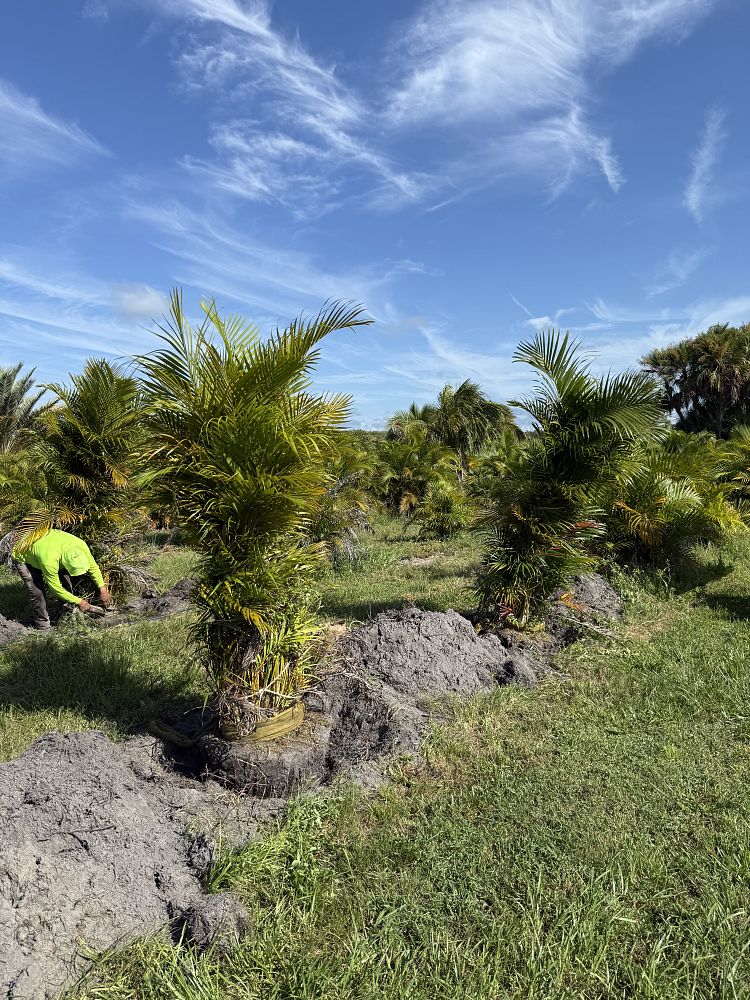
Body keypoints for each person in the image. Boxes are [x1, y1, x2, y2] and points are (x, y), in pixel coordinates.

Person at [11, 528, 111, 630]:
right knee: (37, 590)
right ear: (65, 563)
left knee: (66, 583)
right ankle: (43, 624)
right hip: (23, 555)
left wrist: (102, 589)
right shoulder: (50, 560)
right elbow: (56, 589)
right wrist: (79, 602)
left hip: (47, 548)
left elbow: (93, 567)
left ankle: (64, 617)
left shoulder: (81, 545)